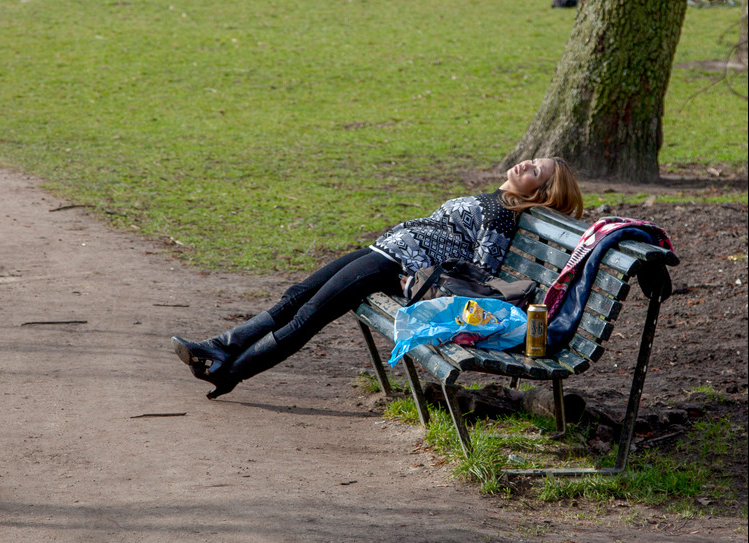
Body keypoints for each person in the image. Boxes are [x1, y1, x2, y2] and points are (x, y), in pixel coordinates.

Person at [171, 158, 584, 400]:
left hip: (394, 264)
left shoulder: (500, 216)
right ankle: (220, 350)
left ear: (542, 192)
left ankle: (228, 371)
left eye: (537, 172)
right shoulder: (495, 201)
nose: (527, 164)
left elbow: (480, 274)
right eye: (533, 159)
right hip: (386, 251)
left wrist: (411, 280)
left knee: (308, 315)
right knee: (296, 296)